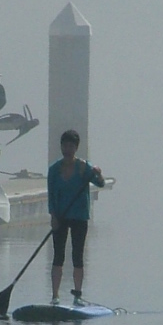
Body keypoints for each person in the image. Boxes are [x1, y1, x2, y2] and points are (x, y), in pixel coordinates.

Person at [47, 129, 105, 304]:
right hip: (61, 217)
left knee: (77, 256)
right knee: (58, 256)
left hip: (79, 216)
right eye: (65, 146)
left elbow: (100, 183)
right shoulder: (54, 170)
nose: (68, 149)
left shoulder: (83, 167)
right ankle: (55, 296)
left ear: (76, 148)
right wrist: (53, 217)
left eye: (71, 146)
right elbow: (51, 196)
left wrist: (98, 172)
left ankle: (77, 295)